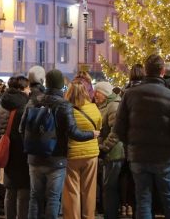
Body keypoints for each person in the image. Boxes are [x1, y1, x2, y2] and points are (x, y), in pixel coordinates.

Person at [115, 54, 170, 219]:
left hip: (138, 157)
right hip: (165, 157)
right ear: (162, 71)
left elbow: (119, 128)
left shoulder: (130, 95)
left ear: (146, 71)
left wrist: (131, 144)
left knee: (143, 200)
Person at [23, 69, 99, 219]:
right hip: (57, 158)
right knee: (53, 198)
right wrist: (92, 134)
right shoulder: (64, 105)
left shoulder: (33, 101)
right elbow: (73, 132)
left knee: (35, 197)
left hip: (34, 158)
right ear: (60, 84)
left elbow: (22, 128)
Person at [62, 80, 103, 219]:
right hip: (91, 154)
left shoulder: (66, 109)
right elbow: (98, 127)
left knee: (72, 191)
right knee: (89, 191)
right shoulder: (93, 108)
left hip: (72, 154)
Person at [0, 75, 31, 219]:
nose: (29, 90)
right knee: (23, 190)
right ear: (21, 89)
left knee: (10, 189)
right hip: (21, 151)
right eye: (28, 87)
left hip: (6, 150)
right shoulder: (24, 106)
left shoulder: (2, 104)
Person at [95, 81, 124, 219]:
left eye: (98, 92)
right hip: (107, 153)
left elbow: (116, 132)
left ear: (105, 93)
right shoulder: (104, 105)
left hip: (113, 153)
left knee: (109, 187)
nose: (95, 94)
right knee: (107, 187)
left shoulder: (113, 106)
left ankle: (111, 215)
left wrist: (104, 147)